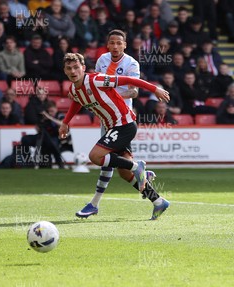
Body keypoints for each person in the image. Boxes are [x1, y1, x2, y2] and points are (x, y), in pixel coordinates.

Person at [60, 52, 171, 220]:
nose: (73, 71)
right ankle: (158, 201)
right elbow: (77, 101)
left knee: (96, 156)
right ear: (65, 71)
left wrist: (154, 88)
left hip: (124, 125)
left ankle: (136, 167)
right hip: (114, 127)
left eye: (76, 67)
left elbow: (128, 80)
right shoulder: (74, 89)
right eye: (69, 68)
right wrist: (65, 122)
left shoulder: (96, 80)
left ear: (83, 68)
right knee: (124, 173)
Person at [76, 30, 154, 219]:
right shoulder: (102, 60)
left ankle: (94, 204)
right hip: (107, 117)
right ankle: (158, 200)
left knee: (104, 160)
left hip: (121, 118)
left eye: (119, 43)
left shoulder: (131, 63)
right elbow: (97, 84)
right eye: (112, 43)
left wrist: (111, 98)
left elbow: (134, 91)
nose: (116, 46)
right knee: (124, 171)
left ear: (125, 45)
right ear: (108, 44)